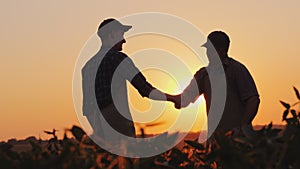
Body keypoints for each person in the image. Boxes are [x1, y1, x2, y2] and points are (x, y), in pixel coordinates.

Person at [82, 18, 175, 139]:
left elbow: (86, 109)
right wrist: (175, 98)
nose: (124, 40)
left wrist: (100, 130)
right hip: (121, 131)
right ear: (111, 35)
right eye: (121, 34)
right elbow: (145, 89)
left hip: (100, 134)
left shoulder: (87, 67)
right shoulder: (117, 59)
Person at [172, 31, 260, 137]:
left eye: (210, 50)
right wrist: (154, 93)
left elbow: (253, 100)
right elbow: (183, 100)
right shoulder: (204, 74)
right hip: (215, 141)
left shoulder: (236, 70)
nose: (207, 53)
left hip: (239, 141)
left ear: (222, 51)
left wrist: (241, 128)